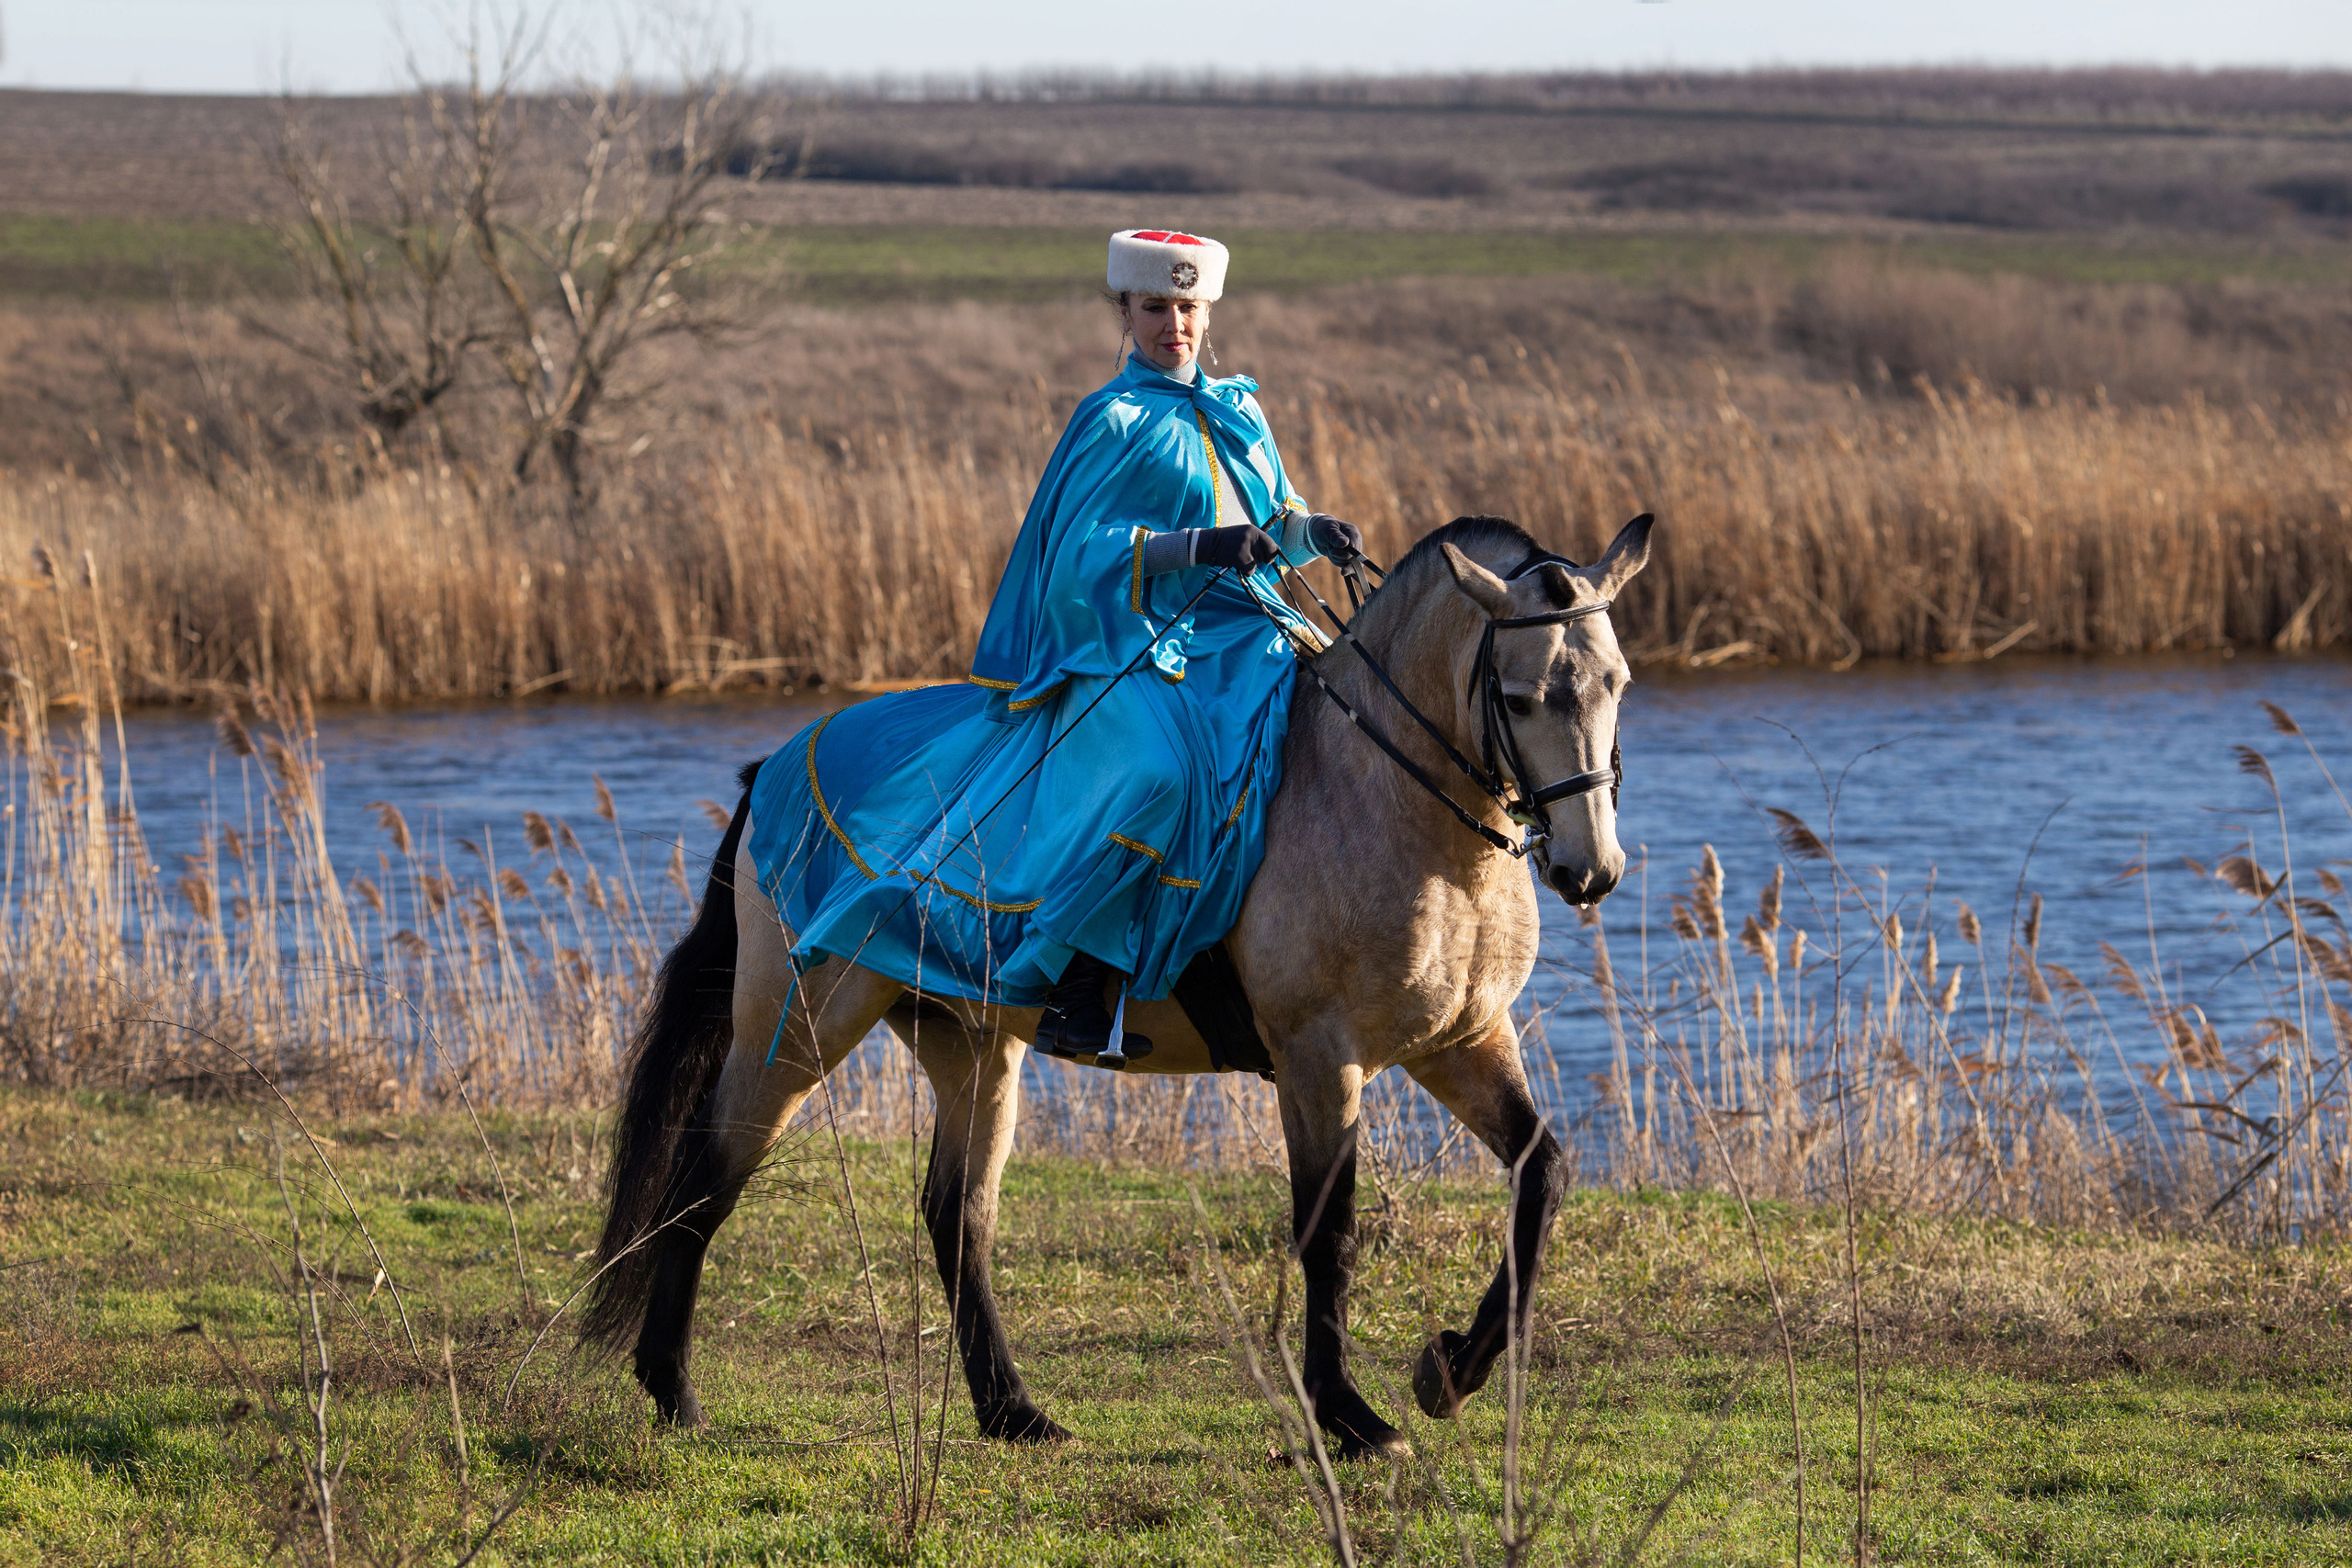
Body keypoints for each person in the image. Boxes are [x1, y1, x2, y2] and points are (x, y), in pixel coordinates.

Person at [744, 229, 1361, 1065]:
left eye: (1187, 308)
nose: (1172, 324)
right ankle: (1083, 971)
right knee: (1162, 773)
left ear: (1207, 313)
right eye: (1154, 308)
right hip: (1137, 646)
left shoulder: (1242, 409)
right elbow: (1078, 558)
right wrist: (1200, 547)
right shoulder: (1110, 419)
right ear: (1125, 312)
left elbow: (1273, 518)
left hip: (1250, 636)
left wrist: (1310, 529)